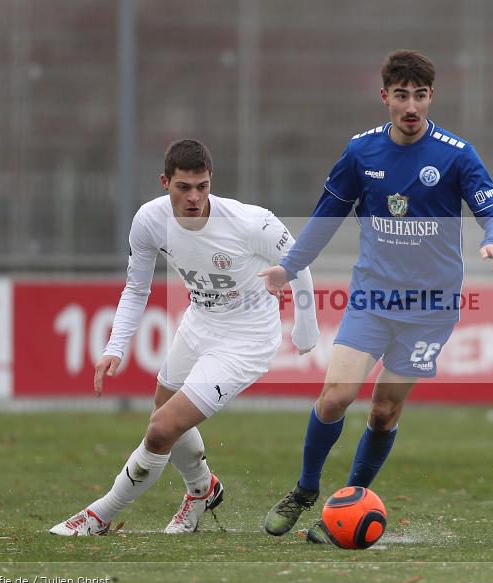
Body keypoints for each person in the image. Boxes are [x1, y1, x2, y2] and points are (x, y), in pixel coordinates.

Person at [260, 50, 493, 543]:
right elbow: (327, 215)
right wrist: (287, 268)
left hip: (431, 311)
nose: (411, 106)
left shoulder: (457, 154)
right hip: (372, 300)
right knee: (335, 397)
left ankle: (346, 505)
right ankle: (305, 489)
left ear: (431, 97)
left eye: (420, 95)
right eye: (401, 95)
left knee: (383, 412)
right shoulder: (361, 152)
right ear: (385, 97)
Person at [50, 139, 319, 536]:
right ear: (165, 183)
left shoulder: (250, 222)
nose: (194, 197)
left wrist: (305, 329)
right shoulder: (149, 221)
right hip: (198, 323)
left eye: (202, 186)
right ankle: (202, 489)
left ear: (211, 181)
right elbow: (136, 288)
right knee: (163, 413)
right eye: (184, 187)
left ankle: (97, 516)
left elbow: (299, 263)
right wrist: (115, 347)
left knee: (161, 429)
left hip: (246, 338)